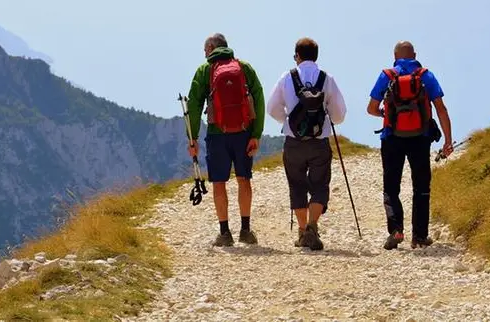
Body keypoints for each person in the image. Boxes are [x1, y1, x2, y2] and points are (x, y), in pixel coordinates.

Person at [366, 40, 453, 250]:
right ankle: (420, 236)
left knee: (391, 187)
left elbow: (371, 108)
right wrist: (448, 141)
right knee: (421, 187)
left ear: (395, 56)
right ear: (415, 54)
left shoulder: (386, 76)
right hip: (420, 138)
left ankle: (396, 230)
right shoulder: (425, 75)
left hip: (391, 138)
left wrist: (385, 114)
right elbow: (441, 109)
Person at [266, 37, 347, 250]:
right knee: (320, 184)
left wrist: (286, 120)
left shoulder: (287, 77)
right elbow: (339, 113)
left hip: (294, 141)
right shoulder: (326, 78)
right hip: (319, 141)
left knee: (297, 184)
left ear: (297, 56)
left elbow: (272, 107)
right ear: (316, 56)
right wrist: (328, 120)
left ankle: (303, 232)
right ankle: (312, 226)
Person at [186, 33, 265, 247]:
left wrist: (192, 138)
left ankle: (224, 233)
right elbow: (258, 98)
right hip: (243, 132)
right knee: (243, 179)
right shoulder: (244, 67)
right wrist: (256, 134)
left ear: (211, 47)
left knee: (219, 182)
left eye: (205, 50)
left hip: (217, 134)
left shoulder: (204, 71)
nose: (204, 54)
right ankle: (246, 230)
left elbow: (193, 106)